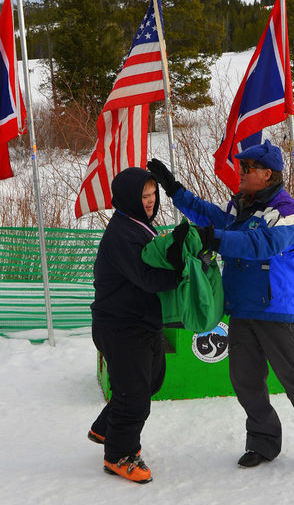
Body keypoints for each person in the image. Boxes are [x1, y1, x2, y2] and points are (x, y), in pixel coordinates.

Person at [147, 139, 294, 474]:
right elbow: (210, 216)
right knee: (245, 380)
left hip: (277, 310)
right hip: (242, 310)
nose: (241, 172)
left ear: (267, 173)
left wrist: (215, 239)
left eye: (247, 168)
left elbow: (260, 244)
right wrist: (174, 189)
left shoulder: (284, 212)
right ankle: (263, 442)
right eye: (241, 167)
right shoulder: (240, 206)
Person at [88, 167, 180, 484]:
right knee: (135, 396)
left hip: (141, 322)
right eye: (144, 196)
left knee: (150, 380)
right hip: (122, 327)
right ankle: (119, 454)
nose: (151, 201)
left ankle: (104, 427)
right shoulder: (122, 234)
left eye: (153, 194)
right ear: (129, 198)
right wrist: (182, 270)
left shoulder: (140, 226)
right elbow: (148, 278)